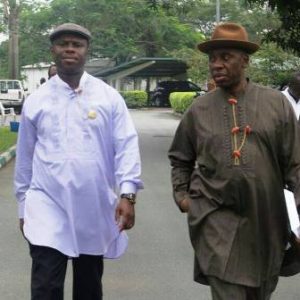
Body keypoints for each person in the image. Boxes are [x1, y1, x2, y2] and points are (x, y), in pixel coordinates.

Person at [168, 22, 300, 300]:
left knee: (258, 293)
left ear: (245, 60)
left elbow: (295, 165)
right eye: (212, 59)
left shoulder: (276, 104)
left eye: (225, 57)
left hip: (266, 222)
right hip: (216, 221)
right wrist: (183, 197)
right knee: (227, 289)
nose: (216, 65)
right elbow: (180, 158)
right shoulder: (199, 110)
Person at [14, 23, 143, 300]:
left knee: (88, 286)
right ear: (53, 50)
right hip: (47, 205)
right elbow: (24, 158)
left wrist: (127, 194)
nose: (70, 49)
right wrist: (24, 206)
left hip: (92, 206)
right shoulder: (37, 101)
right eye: (63, 44)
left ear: (86, 51)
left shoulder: (108, 98)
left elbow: (126, 145)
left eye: (77, 44)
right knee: (45, 286)